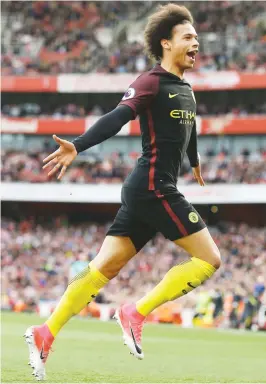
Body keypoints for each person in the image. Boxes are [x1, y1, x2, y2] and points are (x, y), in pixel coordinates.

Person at [25, 4, 221, 380]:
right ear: (166, 43)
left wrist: (194, 161)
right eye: (188, 37)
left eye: (197, 36)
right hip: (152, 187)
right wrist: (78, 146)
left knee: (103, 268)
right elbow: (117, 116)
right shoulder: (150, 81)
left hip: (150, 189)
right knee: (209, 259)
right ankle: (136, 311)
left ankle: (44, 332)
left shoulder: (186, 90)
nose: (196, 42)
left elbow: (189, 128)